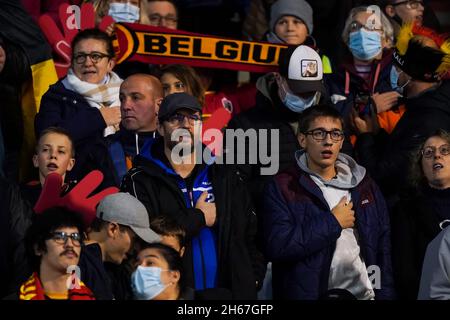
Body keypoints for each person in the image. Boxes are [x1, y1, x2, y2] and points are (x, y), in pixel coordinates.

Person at [121, 92, 265, 299]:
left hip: (230, 295)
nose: (186, 124)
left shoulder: (225, 173)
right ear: (160, 128)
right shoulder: (139, 180)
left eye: (193, 118)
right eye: (176, 118)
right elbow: (146, 240)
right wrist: (198, 217)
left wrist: (251, 279)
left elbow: (250, 235)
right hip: (172, 295)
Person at [263, 104, 395, 300]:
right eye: (319, 134)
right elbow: (278, 245)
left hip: (364, 295)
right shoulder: (283, 186)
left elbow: (382, 247)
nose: (328, 141)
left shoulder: (364, 184)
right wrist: (332, 222)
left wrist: (384, 295)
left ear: (342, 141)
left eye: (335, 134)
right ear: (302, 140)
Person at [352, 23, 450, 198]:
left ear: (410, 75)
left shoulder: (428, 120)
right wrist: (377, 134)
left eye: (397, 68)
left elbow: (385, 177)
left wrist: (365, 137)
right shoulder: (423, 106)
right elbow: (398, 154)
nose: (394, 72)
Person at [35, 28, 121, 188]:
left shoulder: (127, 93)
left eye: (96, 56)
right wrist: (98, 118)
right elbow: (47, 140)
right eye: (80, 57)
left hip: (121, 185)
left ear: (110, 64)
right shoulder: (56, 95)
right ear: (72, 62)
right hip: (74, 188)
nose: (88, 63)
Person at [0, 127, 76, 297]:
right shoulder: (16, 196)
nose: (53, 156)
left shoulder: (78, 202)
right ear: (35, 160)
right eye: (45, 150)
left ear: (71, 163)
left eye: (61, 151)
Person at [326, 5, 403, 149]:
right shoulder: (335, 80)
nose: (362, 32)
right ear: (347, 39)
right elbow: (330, 125)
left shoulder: (399, 75)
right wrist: (370, 108)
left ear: (387, 39)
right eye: (355, 26)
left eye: (371, 27)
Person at [391, 129, 450, 299]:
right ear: (420, 165)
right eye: (429, 153)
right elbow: (405, 271)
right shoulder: (406, 210)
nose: (437, 156)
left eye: (445, 150)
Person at [79, 192, 160, 300]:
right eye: (135, 239)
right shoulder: (75, 262)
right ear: (113, 229)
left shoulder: (117, 270)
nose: (136, 248)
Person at [15, 207, 95, 300]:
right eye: (60, 237)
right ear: (38, 248)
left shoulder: (90, 297)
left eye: (75, 237)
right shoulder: (19, 297)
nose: (70, 244)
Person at [107, 74, 163, 185]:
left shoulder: (176, 149)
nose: (125, 106)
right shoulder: (103, 148)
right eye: (122, 99)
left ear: (158, 105)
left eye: (136, 97)